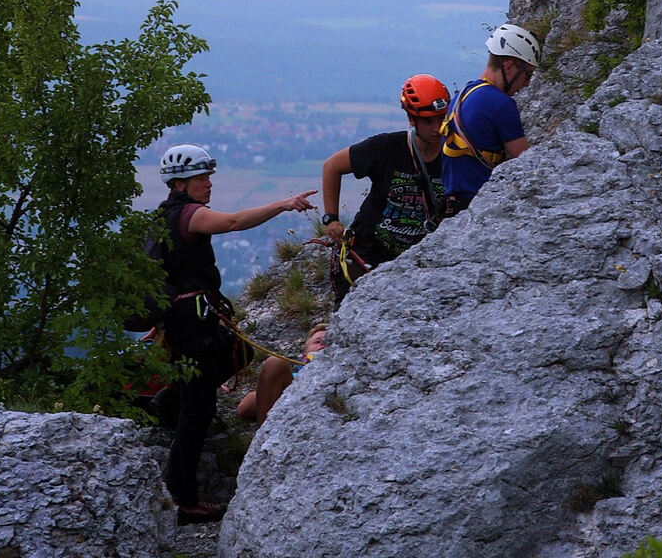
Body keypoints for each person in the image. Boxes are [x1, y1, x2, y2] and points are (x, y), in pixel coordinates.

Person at [156, 144, 316, 524]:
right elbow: (232, 223)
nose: (209, 184)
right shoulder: (190, 215)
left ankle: (173, 399)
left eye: (208, 177)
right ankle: (183, 500)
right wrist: (283, 204)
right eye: (201, 178)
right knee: (198, 412)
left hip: (182, 320)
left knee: (229, 360)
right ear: (179, 184)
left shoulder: (163, 216)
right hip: (193, 324)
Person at [322, 74, 450, 308]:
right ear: (412, 119)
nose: (437, 127)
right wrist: (331, 219)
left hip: (416, 262)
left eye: (441, 118)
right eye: (429, 121)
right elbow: (332, 166)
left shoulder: (455, 154)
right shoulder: (386, 148)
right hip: (367, 254)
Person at [441, 23, 541, 214]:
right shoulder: (500, 104)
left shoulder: (462, 94)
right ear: (509, 66)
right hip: (479, 206)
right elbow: (528, 166)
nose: (527, 84)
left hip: (452, 206)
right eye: (527, 74)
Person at [236, 323, 328, 425]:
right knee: (274, 364)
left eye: (328, 341)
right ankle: (266, 436)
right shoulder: (293, 378)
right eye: (318, 341)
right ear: (304, 357)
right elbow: (244, 408)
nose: (323, 344)